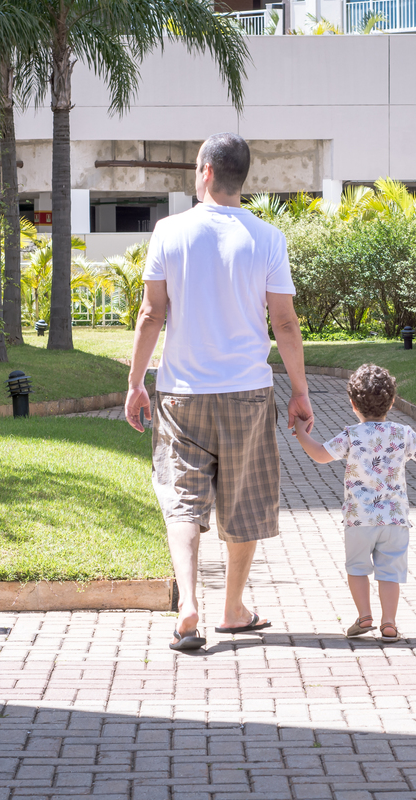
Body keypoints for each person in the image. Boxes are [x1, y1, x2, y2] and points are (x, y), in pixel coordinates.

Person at [125, 132, 312, 652]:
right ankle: (232, 608)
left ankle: (189, 606)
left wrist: (136, 382)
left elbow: (151, 314)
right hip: (248, 391)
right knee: (245, 501)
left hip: (181, 393)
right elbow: (285, 323)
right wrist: (300, 391)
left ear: (206, 171)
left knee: (183, 499)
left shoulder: (169, 231)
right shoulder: (267, 237)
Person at [292, 364, 416, 643]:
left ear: (353, 403)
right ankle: (389, 623)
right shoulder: (402, 433)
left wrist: (301, 432)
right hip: (394, 519)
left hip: (358, 519)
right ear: (392, 401)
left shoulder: (351, 435)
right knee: (390, 572)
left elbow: (321, 455)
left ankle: (364, 616)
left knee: (357, 568)